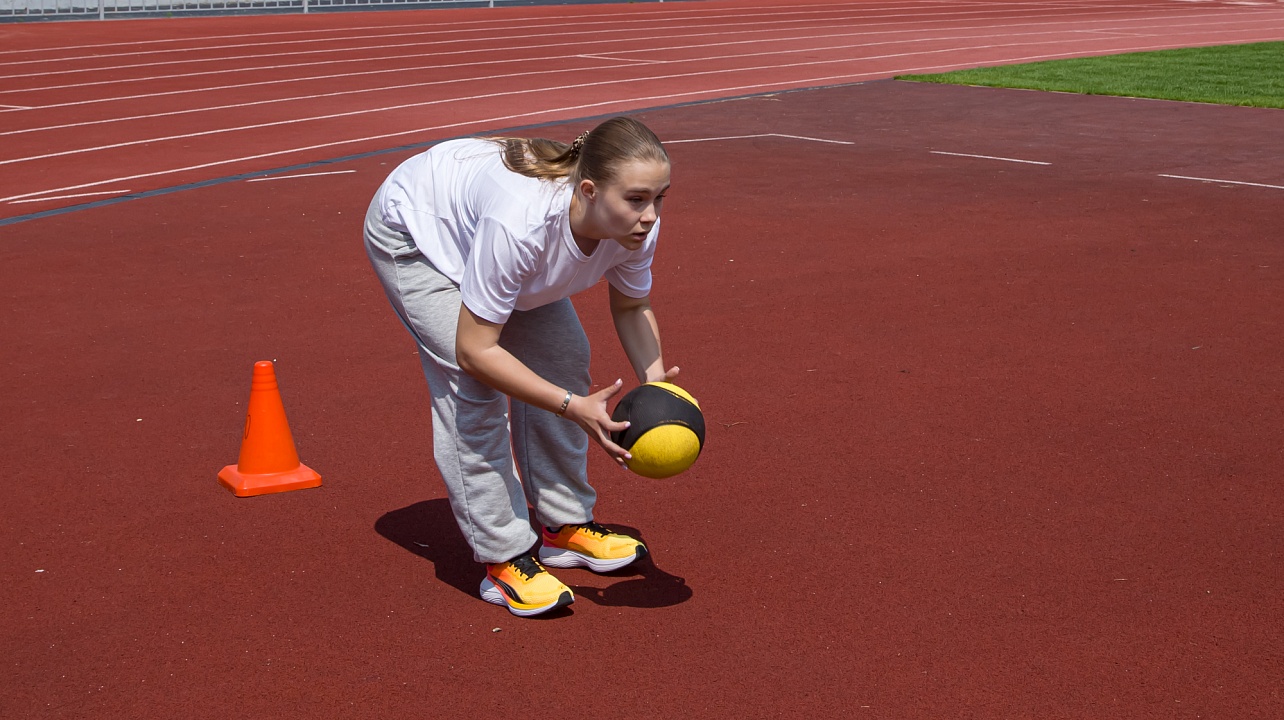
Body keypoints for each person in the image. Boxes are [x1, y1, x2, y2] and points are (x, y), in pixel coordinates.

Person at [363, 116, 678, 617]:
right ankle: (503, 557)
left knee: (563, 357)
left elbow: (632, 305)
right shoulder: (523, 224)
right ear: (590, 191)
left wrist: (657, 383)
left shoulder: (633, 228)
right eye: (637, 199)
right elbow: (476, 351)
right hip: (418, 234)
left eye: (660, 198)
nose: (650, 215)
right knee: (473, 389)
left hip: (489, 235)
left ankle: (564, 526)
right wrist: (571, 407)